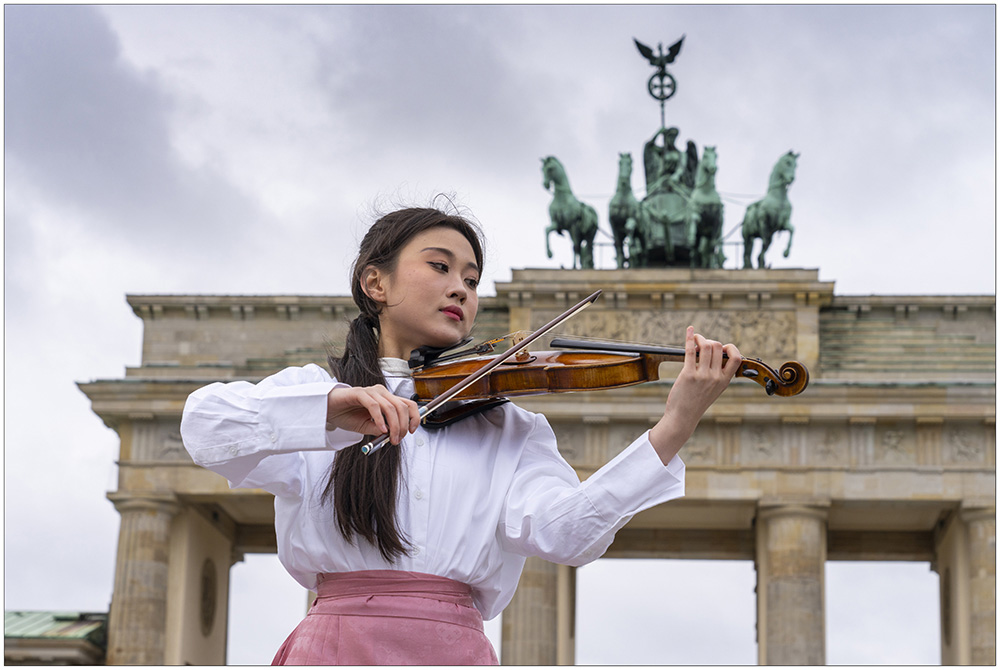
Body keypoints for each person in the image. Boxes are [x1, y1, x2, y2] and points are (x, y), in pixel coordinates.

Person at [180, 205, 742, 665]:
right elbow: (204, 426)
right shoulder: (311, 392)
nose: (461, 289)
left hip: (452, 650)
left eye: (472, 279)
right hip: (334, 649)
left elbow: (566, 534)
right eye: (441, 268)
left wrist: (677, 423)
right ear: (375, 282)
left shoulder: (510, 426)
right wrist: (330, 409)